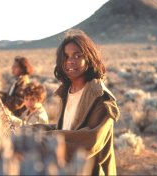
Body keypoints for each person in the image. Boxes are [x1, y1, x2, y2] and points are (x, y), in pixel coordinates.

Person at [35, 29, 120, 175]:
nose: (70, 61)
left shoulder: (101, 98)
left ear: (89, 58)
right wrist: (32, 130)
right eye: (66, 57)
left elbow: (91, 140)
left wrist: (45, 139)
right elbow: (67, 129)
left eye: (77, 55)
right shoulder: (66, 92)